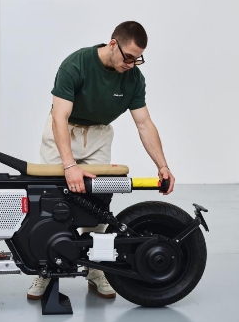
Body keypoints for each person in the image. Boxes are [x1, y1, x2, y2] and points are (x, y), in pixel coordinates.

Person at [27, 21, 175, 301]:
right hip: (63, 131)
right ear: (112, 44)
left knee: (97, 205)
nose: (131, 64)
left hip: (98, 136)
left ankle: (95, 270)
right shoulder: (76, 64)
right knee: (53, 201)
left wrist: (162, 165)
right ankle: (46, 269)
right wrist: (69, 165)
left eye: (138, 59)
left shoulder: (133, 78)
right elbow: (60, 116)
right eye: (128, 57)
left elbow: (144, 124)